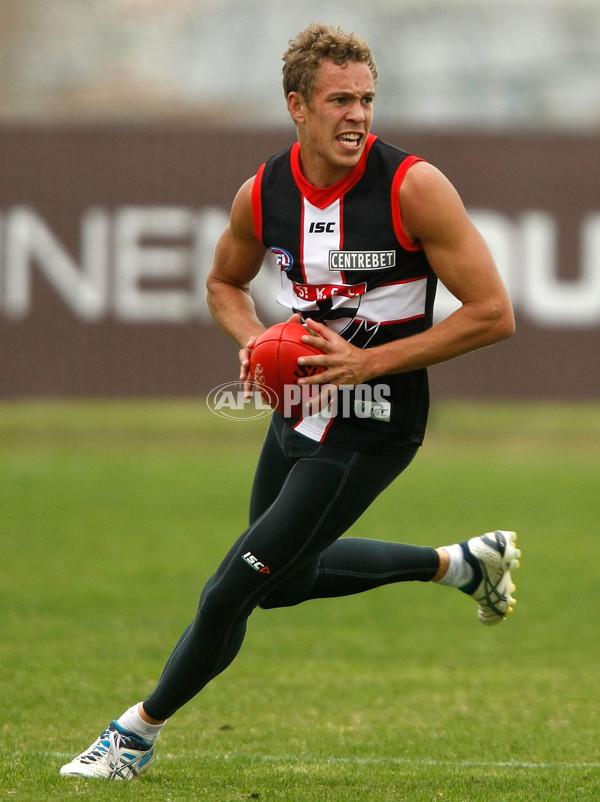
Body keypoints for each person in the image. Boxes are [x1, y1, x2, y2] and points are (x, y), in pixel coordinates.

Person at [60, 22, 520, 781]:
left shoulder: (414, 187)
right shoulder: (264, 191)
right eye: (341, 100)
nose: (359, 117)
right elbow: (222, 284)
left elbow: (493, 313)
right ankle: (463, 564)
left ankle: (132, 736)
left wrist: (370, 362)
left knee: (232, 589)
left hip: (373, 426)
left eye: (368, 100)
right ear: (297, 106)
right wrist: (250, 338)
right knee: (285, 582)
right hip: (296, 412)